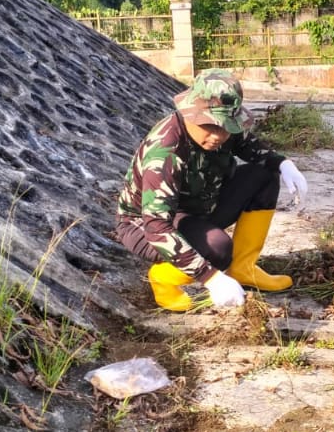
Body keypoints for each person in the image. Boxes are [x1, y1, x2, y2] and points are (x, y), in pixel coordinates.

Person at [114, 69, 307, 312]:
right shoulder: (165, 153)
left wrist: (281, 162)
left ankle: (243, 268)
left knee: (264, 175)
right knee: (218, 249)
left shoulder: (223, 132)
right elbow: (156, 226)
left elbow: (246, 144)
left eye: (225, 127)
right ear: (191, 114)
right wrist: (210, 277)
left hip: (202, 204)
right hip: (148, 225)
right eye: (210, 126)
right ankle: (163, 277)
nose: (218, 135)